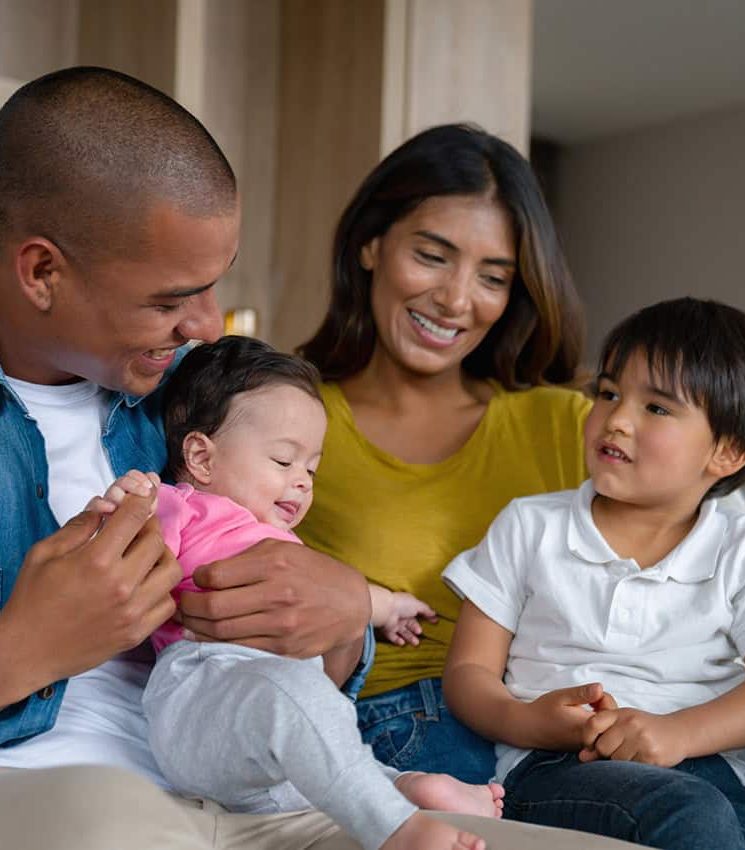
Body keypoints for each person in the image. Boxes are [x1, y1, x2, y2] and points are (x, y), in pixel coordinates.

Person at [0, 67, 637, 850]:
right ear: (41, 272)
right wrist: (24, 647)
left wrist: (342, 621)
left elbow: (296, 665)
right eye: (169, 300)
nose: (205, 326)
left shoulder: (195, 400)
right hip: (64, 783)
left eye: (213, 288)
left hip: (258, 784)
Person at [296, 122, 745, 849]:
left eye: (493, 276)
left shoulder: (571, 420)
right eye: (432, 256)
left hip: (680, 745)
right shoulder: (290, 418)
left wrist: (679, 729)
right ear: (371, 244)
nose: (457, 299)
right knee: (690, 814)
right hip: (448, 721)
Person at [90, 335, 501, 850]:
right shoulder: (183, 508)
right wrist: (123, 508)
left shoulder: (281, 541)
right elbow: (119, 567)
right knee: (297, 700)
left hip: (272, 720)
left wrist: (389, 606)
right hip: (201, 690)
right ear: (201, 457)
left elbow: (340, 599)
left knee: (322, 726)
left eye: (312, 468)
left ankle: (409, 785)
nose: (303, 483)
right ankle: (397, 828)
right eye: (284, 462)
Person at [442, 297, 745, 849]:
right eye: (609, 393)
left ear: (728, 451)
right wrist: (531, 722)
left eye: (657, 408)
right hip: (558, 767)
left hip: (706, 771)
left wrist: (676, 734)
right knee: (687, 812)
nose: (615, 419)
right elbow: (469, 671)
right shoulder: (530, 526)